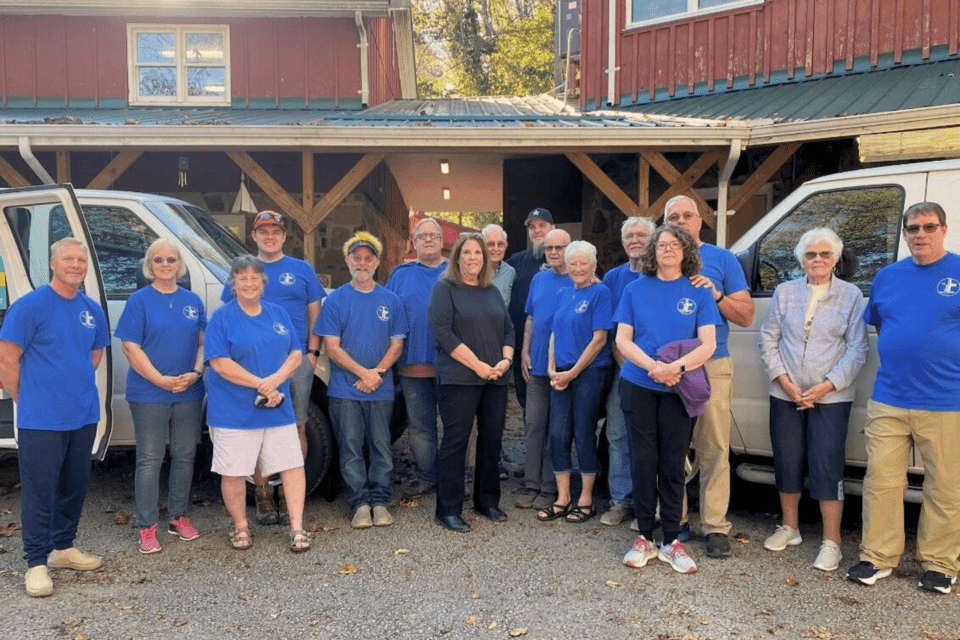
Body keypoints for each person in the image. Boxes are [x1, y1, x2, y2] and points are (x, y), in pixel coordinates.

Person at [846, 202, 960, 594]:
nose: (920, 235)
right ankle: (876, 557)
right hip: (890, 397)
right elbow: (879, 326)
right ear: (905, 233)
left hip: (947, 399)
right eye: (913, 228)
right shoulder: (887, 276)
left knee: (945, 486)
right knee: (881, 482)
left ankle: (941, 564)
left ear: (944, 229)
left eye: (929, 227)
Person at [0, 238, 110, 597]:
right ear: (51, 263)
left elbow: (93, 355)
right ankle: (35, 563)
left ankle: (63, 548)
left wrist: (69, 385)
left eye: (81, 259)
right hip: (40, 418)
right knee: (39, 490)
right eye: (68, 258)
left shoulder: (91, 308)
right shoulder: (29, 307)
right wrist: (26, 396)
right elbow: (6, 359)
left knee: (74, 486)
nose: (76, 264)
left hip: (82, 413)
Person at [758, 228, 868, 571]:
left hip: (831, 396)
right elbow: (767, 339)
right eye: (810, 255)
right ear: (801, 259)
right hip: (786, 392)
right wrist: (787, 384)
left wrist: (825, 386)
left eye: (823, 254)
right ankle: (790, 527)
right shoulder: (785, 291)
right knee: (787, 460)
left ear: (835, 258)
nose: (816, 260)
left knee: (826, 464)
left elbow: (857, 348)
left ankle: (831, 541)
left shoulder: (851, 295)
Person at [617, 225, 720, 575]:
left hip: (680, 387)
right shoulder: (634, 289)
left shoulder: (699, 291)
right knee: (643, 461)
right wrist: (654, 367)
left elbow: (707, 344)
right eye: (661, 245)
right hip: (639, 384)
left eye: (675, 244)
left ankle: (671, 540)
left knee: (673, 464)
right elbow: (623, 340)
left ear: (686, 250)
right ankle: (644, 536)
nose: (668, 249)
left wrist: (674, 367)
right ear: (652, 251)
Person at [221, 210, 325, 526]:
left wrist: (312, 353)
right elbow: (229, 312)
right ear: (253, 235)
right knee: (257, 429)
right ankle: (264, 493)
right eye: (263, 231)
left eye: (275, 231)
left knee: (298, 425)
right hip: (255, 365)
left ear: (283, 236)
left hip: (295, 362)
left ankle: (290, 492)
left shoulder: (302, 270)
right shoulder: (243, 269)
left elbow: (315, 313)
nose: (269, 236)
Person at [665, 195, 754, 559]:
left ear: (701, 221)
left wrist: (716, 295)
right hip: (668, 366)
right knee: (671, 447)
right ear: (665, 224)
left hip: (711, 363)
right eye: (674, 216)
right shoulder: (658, 261)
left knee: (714, 446)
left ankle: (715, 526)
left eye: (688, 215)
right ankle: (676, 520)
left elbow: (746, 315)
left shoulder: (723, 259)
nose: (682, 220)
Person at [205, 256, 309, 553]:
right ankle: (240, 527)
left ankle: (297, 528)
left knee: (291, 466)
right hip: (233, 411)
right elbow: (220, 363)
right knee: (234, 471)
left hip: (277, 406)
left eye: (254, 278)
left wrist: (274, 381)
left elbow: (295, 354)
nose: (248, 283)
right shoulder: (221, 318)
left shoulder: (278, 313)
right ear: (233, 284)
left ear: (263, 283)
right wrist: (261, 384)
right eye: (242, 278)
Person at [115, 240, 207, 554]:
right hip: (148, 392)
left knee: (184, 456)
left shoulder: (193, 300)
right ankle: (147, 525)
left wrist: (195, 373)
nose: (165, 264)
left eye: (171, 259)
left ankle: (178, 517)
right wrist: (160, 380)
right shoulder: (139, 301)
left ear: (179, 263)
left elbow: (203, 342)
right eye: (158, 259)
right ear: (149, 265)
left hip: (189, 391)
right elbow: (130, 347)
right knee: (150, 459)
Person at [318, 232, 407, 529]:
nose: (362, 262)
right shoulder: (335, 301)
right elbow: (331, 347)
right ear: (347, 261)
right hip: (346, 390)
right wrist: (363, 373)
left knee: (381, 445)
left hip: (380, 388)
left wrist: (377, 373)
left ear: (377, 262)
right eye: (356, 257)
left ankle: (380, 500)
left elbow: (397, 344)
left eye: (368, 257)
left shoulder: (390, 300)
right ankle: (359, 502)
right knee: (351, 445)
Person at [428, 232, 515, 532]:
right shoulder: (445, 289)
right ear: (457, 257)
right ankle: (448, 509)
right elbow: (443, 332)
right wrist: (478, 365)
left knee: (491, 439)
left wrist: (504, 361)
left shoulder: (491, 291)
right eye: (467, 253)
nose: (474, 258)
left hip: (496, 378)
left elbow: (508, 330)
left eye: (478, 253)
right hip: (459, 379)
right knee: (456, 442)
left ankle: (486, 501)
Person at [536, 241, 613, 523]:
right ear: (566, 266)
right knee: (557, 434)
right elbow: (554, 333)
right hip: (561, 372)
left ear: (593, 265)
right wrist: (551, 368)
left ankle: (586, 499)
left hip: (589, 372)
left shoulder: (601, 293)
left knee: (582, 432)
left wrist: (573, 373)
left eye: (584, 263)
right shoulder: (563, 292)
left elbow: (599, 339)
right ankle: (563, 498)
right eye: (573, 263)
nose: (578, 268)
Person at [600, 216, 655, 527]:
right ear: (623, 243)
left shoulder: (663, 275)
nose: (635, 240)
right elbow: (610, 330)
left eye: (642, 235)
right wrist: (627, 365)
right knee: (617, 433)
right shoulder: (612, 278)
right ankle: (621, 500)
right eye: (630, 236)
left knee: (649, 438)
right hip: (624, 371)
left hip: (660, 372)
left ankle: (648, 503)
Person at [386, 218, 447, 498]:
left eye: (434, 235)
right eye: (422, 236)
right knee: (421, 427)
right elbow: (386, 317)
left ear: (442, 240)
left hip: (451, 366)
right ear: (413, 241)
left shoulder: (454, 271)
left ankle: (452, 477)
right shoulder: (400, 274)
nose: (428, 240)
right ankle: (427, 476)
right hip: (411, 365)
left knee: (454, 425)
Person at [515, 229, 572, 512]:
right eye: (549, 248)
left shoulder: (579, 279)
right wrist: (524, 351)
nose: (553, 252)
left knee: (556, 429)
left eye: (559, 247)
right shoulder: (539, 279)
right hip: (536, 366)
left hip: (564, 369)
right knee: (534, 424)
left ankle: (550, 487)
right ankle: (531, 483)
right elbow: (530, 318)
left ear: (569, 249)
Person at [506, 208, 554, 409]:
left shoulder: (566, 260)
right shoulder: (517, 261)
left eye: (542, 225)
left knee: (555, 402)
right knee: (526, 401)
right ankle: (533, 439)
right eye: (532, 227)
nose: (537, 231)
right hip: (521, 346)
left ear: (553, 228)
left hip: (554, 345)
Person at [482, 223, 516, 307]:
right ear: (482, 245)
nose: (496, 249)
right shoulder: (473, 270)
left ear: (506, 245)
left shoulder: (510, 272)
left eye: (500, 244)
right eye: (490, 244)